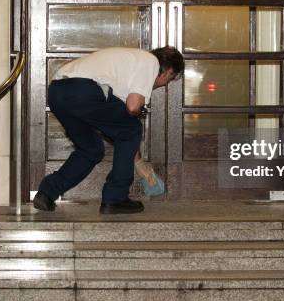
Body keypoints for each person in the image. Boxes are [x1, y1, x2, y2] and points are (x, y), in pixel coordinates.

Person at [33, 46, 184, 214]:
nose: (164, 85)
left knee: (91, 150)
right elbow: (132, 108)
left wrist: (140, 164)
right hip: (84, 90)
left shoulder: (126, 72)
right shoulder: (151, 62)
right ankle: (115, 197)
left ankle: (47, 193)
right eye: (170, 79)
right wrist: (138, 111)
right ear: (168, 71)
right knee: (132, 128)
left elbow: (118, 130)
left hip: (58, 92)